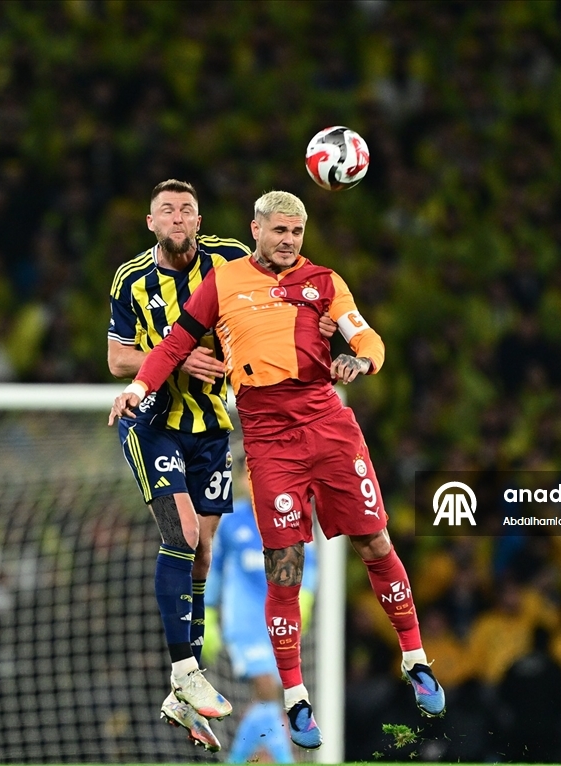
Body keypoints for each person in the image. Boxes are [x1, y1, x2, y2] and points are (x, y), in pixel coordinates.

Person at [109, 190, 446, 751]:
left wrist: (360, 358)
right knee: (283, 566)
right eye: (279, 230)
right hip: (267, 438)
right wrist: (139, 387)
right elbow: (172, 346)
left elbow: (367, 335)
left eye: (296, 232)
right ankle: (295, 698)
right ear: (256, 230)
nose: (288, 241)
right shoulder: (224, 282)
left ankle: (415, 658)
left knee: (375, 541)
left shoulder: (325, 282)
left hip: (329, 424)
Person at [106, 180, 336, 752]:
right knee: (183, 534)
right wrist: (177, 359)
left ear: (199, 220)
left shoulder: (229, 259)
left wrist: (321, 324)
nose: (177, 217)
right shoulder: (131, 279)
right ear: (151, 222)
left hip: (210, 425)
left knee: (204, 552)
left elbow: (282, 292)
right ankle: (184, 670)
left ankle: (185, 691)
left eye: (186, 209)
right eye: (166, 210)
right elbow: (117, 358)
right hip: (154, 422)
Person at [203, 459, 318, 763]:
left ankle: (244, 759)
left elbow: (310, 565)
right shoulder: (230, 522)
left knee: (268, 701)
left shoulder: (290, 519)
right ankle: (285, 760)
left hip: (279, 624)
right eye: (250, 476)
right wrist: (208, 614)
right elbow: (213, 570)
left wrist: (305, 599)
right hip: (244, 624)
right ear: (241, 480)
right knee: (267, 688)